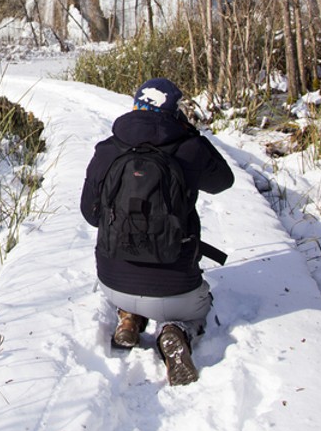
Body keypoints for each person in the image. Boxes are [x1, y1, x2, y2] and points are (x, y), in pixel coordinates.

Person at [80, 77, 234, 385]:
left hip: (113, 282)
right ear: (173, 110)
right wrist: (194, 136)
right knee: (199, 306)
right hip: (176, 289)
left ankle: (129, 317)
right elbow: (223, 181)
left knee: (130, 291)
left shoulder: (108, 149)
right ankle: (176, 330)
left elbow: (90, 214)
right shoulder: (189, 147)